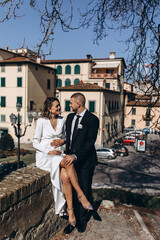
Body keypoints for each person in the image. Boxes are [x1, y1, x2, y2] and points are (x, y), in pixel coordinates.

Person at [32, 97, 93, 226]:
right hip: (45, 156)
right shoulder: (41, 121)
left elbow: (66, 138)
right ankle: (81, 195)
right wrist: (49, 151)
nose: (59, 108)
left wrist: (62, 141)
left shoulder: (61, 120)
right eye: (56, 106)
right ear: (49, 109)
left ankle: (70, 212)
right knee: (68, 163)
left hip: (59, 155)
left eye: (59, 106)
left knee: (65, 176)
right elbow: (35, 142)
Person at [60, 93, 99, 234]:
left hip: (85, 161)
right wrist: (63, 144)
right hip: (70, 159)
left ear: (79, 104)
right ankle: (73, 220)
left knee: (84, 188)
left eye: (71, 103)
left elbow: (90, 143)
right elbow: (69, 138)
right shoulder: (70, 117)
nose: (69, 105)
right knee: (71, 188)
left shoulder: (93, 120)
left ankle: (81, 222)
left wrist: (75, 156)